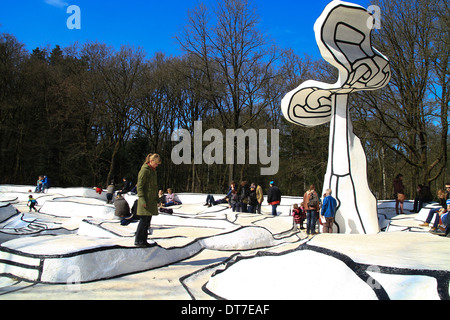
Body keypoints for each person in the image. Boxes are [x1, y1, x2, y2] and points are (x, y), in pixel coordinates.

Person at [134, 153, 161, 247]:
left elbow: (154, 186)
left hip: (151, 200)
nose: (157, 165)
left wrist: (157, 199)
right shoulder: (144, 171)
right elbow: (139, 186)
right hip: (145, 200)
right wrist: (142, 199)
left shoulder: (153, 171)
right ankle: (139, 240)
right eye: (156, 163)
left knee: (147, 221)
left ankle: (143, 240)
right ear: (151, 161)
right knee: (143, 220)